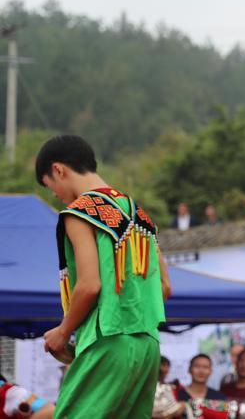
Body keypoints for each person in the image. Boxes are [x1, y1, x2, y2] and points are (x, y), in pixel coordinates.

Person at [35, 134, 167, 418]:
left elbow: (90, 285)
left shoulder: (79, 212)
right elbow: (164, 288)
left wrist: (63, 332)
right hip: (147, 346)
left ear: (58, 169)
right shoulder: (139, 214)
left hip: (109, 341)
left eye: (51, 187)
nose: (56, 194)